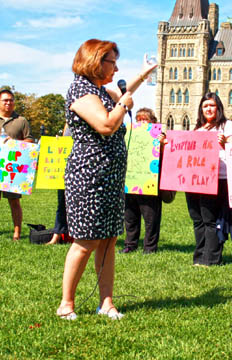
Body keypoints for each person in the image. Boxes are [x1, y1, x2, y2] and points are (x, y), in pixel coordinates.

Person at [56, 39, 156, 320]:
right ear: (96, 62)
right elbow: (106, 125)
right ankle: (66, 304)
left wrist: (142, 75)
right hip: (89, 177)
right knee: (86, 240)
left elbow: (124, 92)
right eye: (112, 61)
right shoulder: (80, 90)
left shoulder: (101, 90)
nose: (116, 67)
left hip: (110, 178)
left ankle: (107, 302)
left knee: (109, 239)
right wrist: (123, 103)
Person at [185, 93, 232, 266]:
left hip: (218, 178)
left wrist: (224, 143)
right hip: (194, 180)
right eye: (205, 106)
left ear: (218, 108)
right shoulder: (197, 130)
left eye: (212, 105)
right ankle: (199, 256)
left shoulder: (228, 126)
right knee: (198, 219)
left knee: (210, 220)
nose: (208, 109)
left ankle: (212, 258)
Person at [121, 108, 164, 254]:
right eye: (139, 120)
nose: (141, 123)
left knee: (151, 218)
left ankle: (150, 247)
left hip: (149, 182)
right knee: (130, 216)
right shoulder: (129, 134)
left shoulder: (159, 137)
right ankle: (130, 244)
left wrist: (162, 144)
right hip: (130, 181)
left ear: (152, 122)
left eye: (145, 120)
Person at [0, 88, 34, 241]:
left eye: (11, 100)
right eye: (5, 100)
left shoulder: (21, 120)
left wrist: (15, 143)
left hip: (13, 168)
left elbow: (30, 140)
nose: (8, 102)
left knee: (14, 202)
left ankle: (17, 233)